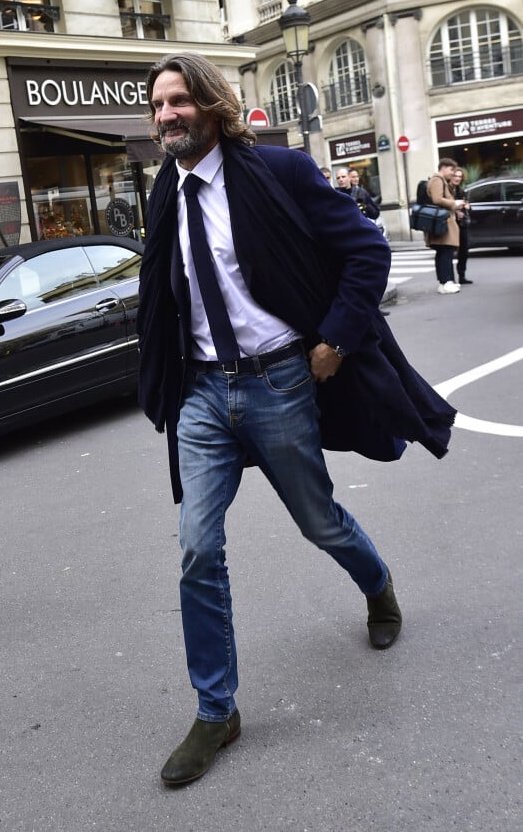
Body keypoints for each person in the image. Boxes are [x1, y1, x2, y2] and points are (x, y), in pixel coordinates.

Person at [137, 53, 456, 787]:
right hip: (202, 394)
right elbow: (167, 291)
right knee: (195, 547)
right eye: (157, 105)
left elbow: (366, 251)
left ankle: (377, 584)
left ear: (211, 105)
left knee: (318, 521)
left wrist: (335, 342)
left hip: (281, 379)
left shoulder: (279, 174)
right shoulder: (167, 191)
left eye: (178, 100)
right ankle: (217, 710)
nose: (165, 116)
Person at [426, 158, 467, 295]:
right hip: (444, 223)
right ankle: (445, 282)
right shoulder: (437, 180)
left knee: (445, 252)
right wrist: (454, 203)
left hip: (445, 222)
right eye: (451, 170)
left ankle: (446, 282)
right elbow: (437, 199)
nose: (452, 174)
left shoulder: (439, 180)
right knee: (444, 253)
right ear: (443, 167)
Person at [450, 167, 472, 284]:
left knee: (464, 250)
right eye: (455, 176)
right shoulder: (448, 189)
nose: (458, 178)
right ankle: (449, 279)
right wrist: (455, 211)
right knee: (449, 251)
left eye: (460, 176)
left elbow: (466, 204)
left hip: (461, 224)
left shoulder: (461, 191)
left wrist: (467, 206)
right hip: (450, 223)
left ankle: (462, 276)